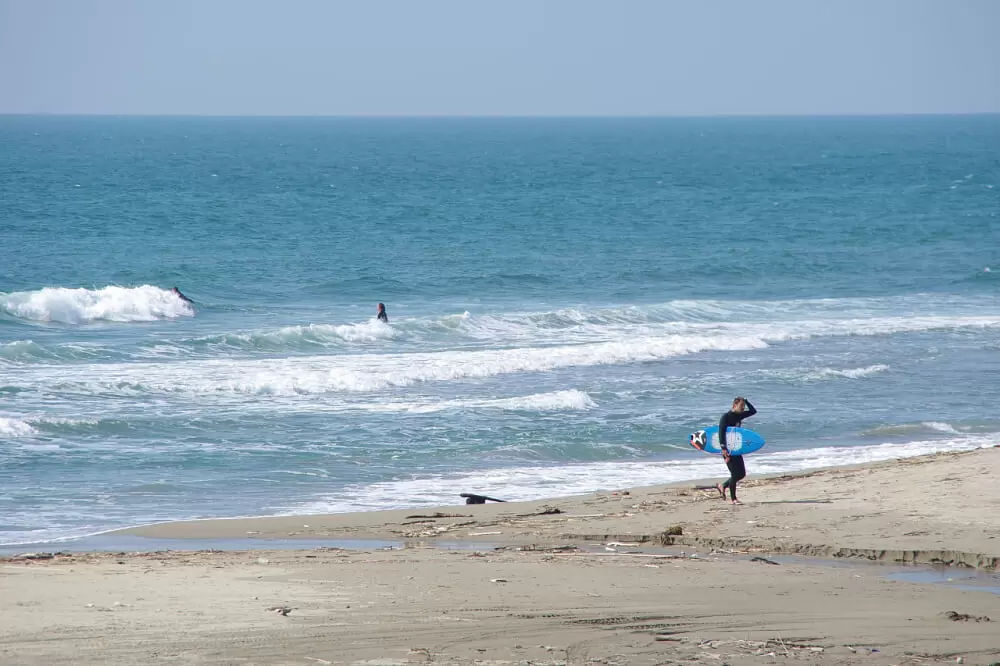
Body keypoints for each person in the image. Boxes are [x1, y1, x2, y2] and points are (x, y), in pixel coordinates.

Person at [715, 396, 757, 505]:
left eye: (743, 406)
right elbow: (721, 432)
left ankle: (722, 486)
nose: (743, 408)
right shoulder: (726, 417)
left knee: (741, 473)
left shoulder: (739, 415)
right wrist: (723, 448)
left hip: (736, 448)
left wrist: (746, 401)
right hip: (727, 450)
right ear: (734, 405)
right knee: (734, 474)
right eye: (741, 406)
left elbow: (753, 411)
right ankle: (733, 499)